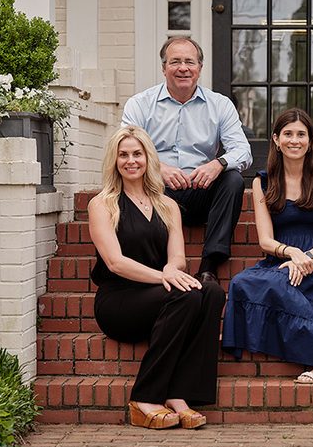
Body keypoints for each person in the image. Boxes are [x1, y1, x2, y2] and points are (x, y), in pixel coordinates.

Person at [88, 125, 225, 430]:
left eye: (137, 154)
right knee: (186, 294)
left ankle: (180, 395)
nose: (131, 160)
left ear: (149, 159)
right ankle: (145, 398)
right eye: (123, 155)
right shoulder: (102, 204)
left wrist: (171, 270)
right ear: (114, 161)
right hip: (119, 301)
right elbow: (115, 262)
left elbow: (178, 257)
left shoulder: (168, 205)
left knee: (212, 293)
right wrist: (164, 277)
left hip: (161, 295)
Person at [221, 108, 313, 383]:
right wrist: (291, 253)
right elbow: (265, 240)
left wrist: (305, 258)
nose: (294, 140)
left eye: (301, 134)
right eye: (288, 134)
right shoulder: (262, 182)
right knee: (242, 282)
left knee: (278, 285)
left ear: (310, 140)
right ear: (276, 139)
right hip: (281, 259)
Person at [121, 36, 253, 284]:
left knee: (233, 179)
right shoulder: (140, 104)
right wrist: (158, 168)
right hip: (157, 191)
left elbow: (243, 151)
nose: (183, 68)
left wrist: (217, 164)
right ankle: (155, 267)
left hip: (201, 191)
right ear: (164, 68)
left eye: (190, 62)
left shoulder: (219, 105)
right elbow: (125, 149)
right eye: (175, 62)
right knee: (136, 178)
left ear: (200, 68)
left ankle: (209, 266)